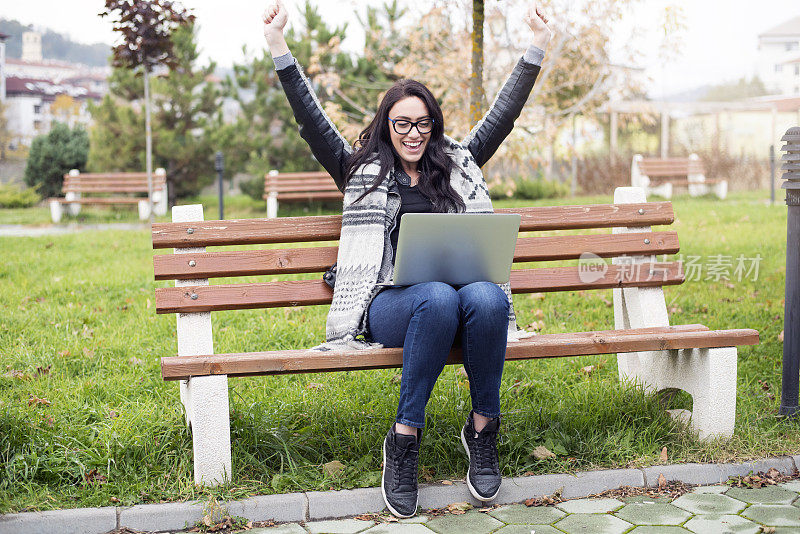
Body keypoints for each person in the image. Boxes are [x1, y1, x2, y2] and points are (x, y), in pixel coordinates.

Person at [263, 0, 551, 518]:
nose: (413, 134)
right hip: (390, 305)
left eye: (423, 124)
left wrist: (537, 48)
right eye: (401, 124)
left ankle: (483, 430)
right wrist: (279, 47)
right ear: (386, 126)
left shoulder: (458, 164)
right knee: (436, 298)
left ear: (434, 126)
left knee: (487, 296)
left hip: (460, 304)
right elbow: (311, 121)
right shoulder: (362, 171)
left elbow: (502, 118)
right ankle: (404, 438)